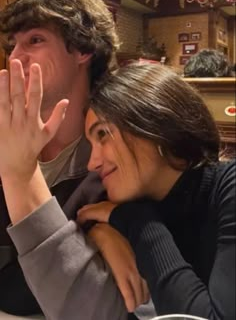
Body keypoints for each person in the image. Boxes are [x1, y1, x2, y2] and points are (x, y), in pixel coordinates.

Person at [0, 0, 148, 320]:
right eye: (13, 44)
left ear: (83, 50)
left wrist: (115, 227)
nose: (15, 57)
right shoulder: (4, 128)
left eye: (35, 40)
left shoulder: (116, 154)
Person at [74, 63, 235, 320]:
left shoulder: (230, 188)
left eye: (103, 134)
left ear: (154, 123)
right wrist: (101, 233)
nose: (92, 163)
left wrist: (137, 222)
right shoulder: (125, 209)